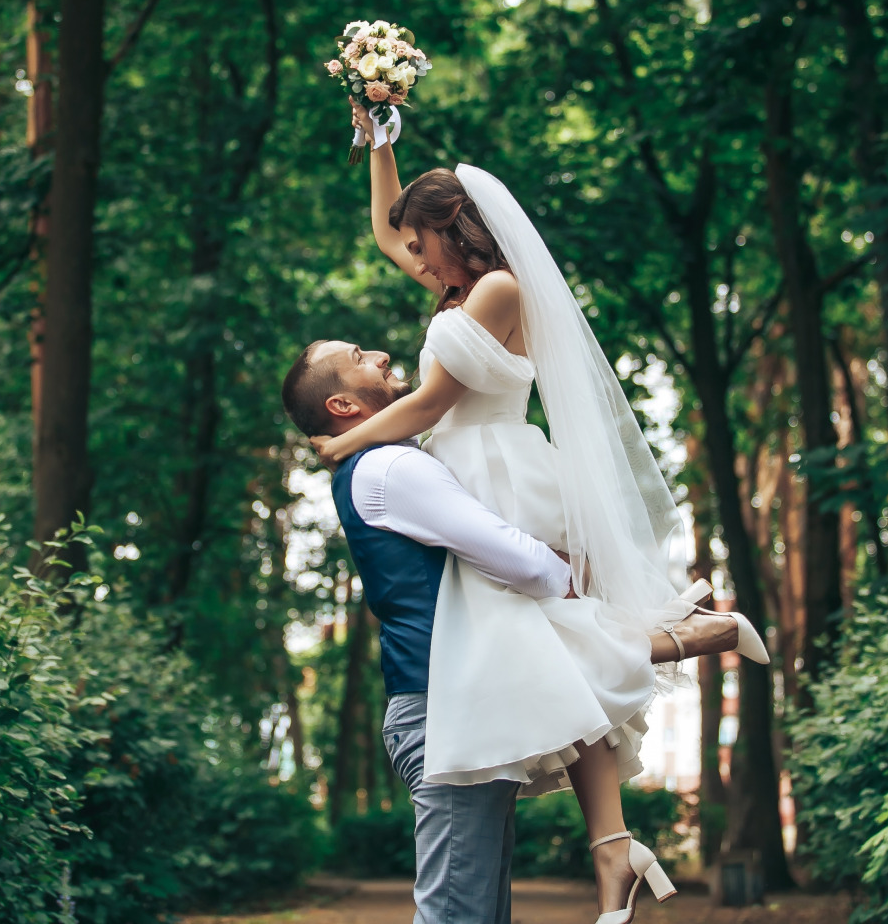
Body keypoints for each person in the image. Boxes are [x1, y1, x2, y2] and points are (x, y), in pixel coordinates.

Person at [304, 104, 767, 922]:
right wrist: (380, 138)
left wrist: (343, 445)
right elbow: (386, 231)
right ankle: (613, 847)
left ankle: (683, 638)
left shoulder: (496, 289)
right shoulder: (456, 285)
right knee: (546, 658)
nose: (411, 259)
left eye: (424, 242)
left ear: (456, 228)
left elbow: (429, 404)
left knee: (546, 627)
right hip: (467, 463)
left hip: (497, 467)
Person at [281, 342, 675, 923]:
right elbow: (525, 564)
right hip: (445, 710)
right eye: (360, 356)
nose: (383, 354)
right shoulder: (392, 466)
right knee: (455, 915)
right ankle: (680, 639)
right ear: (341, 404)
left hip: (454, 705)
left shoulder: (376, 466)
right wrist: (586, 572)